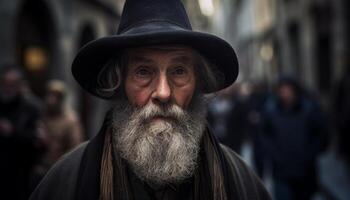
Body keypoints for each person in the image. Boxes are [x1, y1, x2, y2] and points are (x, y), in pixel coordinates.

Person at [30, 0, 271, 199]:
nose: (163, 93)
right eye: (143, 72)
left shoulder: (242, 183)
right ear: (120, 83)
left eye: (179, 71)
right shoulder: (64, 183)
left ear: (198, 82)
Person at [260, 77, 329, 200]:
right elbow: (264, 137)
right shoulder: (270, 111)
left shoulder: (309, 109)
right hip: (281, 171)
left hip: (305, 172)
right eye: (282, 90)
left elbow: (321, 135)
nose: (285, 93)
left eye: (288, 90)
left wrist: (310, 154)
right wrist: (275, 156)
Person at [0, 65, 42, 200]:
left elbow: (37, 140)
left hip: (22, 172)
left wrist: (12, 132)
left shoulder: (31, 108)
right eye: (5, 83)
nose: (7, 88)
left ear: (19, 85)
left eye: (11, 84)